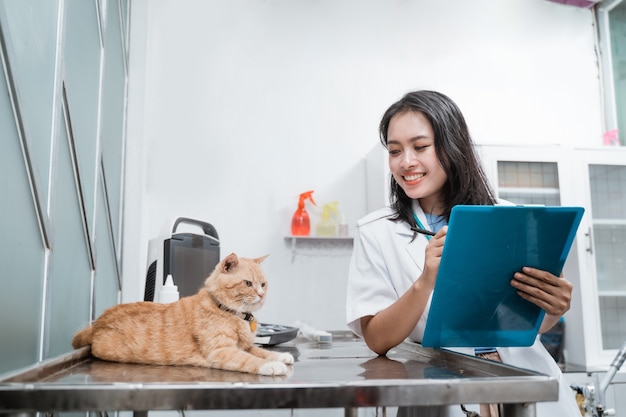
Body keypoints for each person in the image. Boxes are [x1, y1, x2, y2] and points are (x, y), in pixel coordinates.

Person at [345, 90, 580, 417]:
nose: (406, 162)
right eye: (395, 151)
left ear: (452, 146)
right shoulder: (376, 231)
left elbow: (529, 323)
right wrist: (424, 282)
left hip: (525, 382)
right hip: (441, 390)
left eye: (420, 147)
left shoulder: (510, 217)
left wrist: (554, 306)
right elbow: (377, 339)